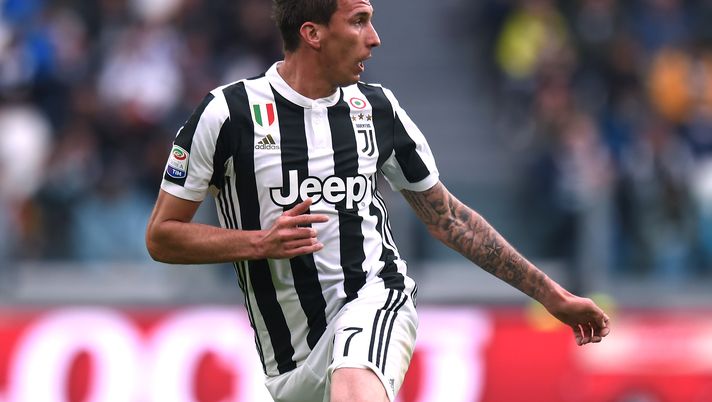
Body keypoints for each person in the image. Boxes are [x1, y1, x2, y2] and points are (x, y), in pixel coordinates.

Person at [145, 0, 611, 401]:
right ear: (312, 34)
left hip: (374, 298)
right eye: (359, 21)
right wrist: (258, 243)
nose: (375, 38)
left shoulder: (377, 109)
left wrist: (552, 295)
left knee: (355, 373)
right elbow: (163, 237)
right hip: (288, 361)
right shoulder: (227, 115)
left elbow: (449, 219)